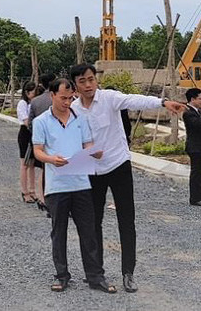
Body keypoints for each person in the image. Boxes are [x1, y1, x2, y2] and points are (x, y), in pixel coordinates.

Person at [70, 63, 185, 293]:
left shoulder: (110, 98)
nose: (88, 84)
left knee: (126, 220)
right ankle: (95, 270)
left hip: (119, 164)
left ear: (96, 80)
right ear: (76, 85)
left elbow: (136, 100)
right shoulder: (74, 109)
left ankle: (128, 273)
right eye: (82, 81)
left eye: (91, 79)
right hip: (93, 170)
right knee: (93, 223)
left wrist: (163, 103)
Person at [32, 78, 116, 293]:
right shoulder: (41, 121)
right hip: (57, 185)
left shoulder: (80, 119)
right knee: (59, 232)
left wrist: (94, 151)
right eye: (63, 98)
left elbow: (87, 144)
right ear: (52, 95)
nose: (68, 102)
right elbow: (37, 150)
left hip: (80, 183)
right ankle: (61, 275)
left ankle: (96, 276)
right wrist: (51, 159)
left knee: (88, 232)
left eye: (71, 98)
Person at [28, 73, 57, 213]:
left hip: (40, 141)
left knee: (45, 169)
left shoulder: (35, 101)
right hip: (56, 139)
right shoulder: (56, 99)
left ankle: (43, 198)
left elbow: (30, 123)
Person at [17, 81, 37, 203]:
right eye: (34, 92)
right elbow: (25, 121)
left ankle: (32, 190)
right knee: (24, 164)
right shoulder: (22, 104)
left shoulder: (32, 103)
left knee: (32, 165)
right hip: (25, 133)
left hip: (33, 133)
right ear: (27, 92)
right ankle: (25, 192)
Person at [183, 88, 201, 206]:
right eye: (200, 99)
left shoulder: (198, 111)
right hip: (195, 147)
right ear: (192, 99)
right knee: (196, 173)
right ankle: (195, 198)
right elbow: (197, 125)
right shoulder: (188, 112)